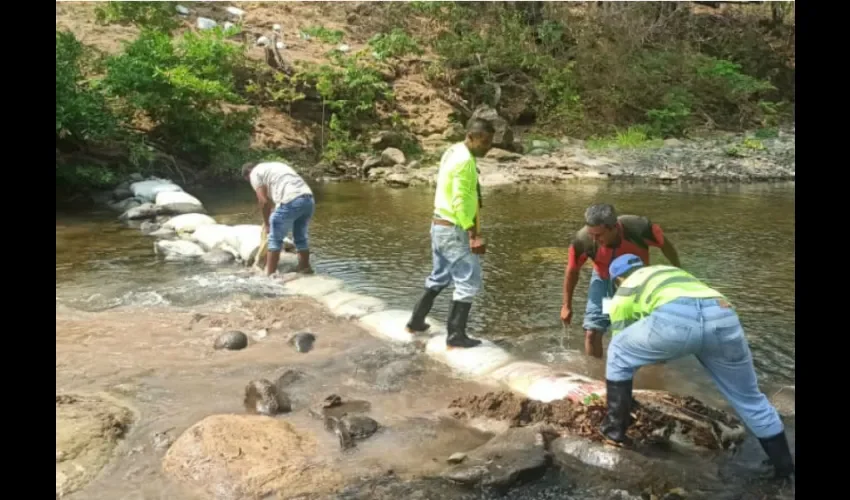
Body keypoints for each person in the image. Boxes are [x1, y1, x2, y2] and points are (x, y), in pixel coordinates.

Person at [599, 254, 794, 479]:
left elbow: (624, 346)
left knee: (618, 352)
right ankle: (784, 469)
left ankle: (614, 431)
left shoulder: (624, 291)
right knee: (749, 398)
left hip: (676, 322)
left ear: (618, 280)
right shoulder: (669, 272)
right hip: (723, 314)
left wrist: (624, 387)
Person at [404, 118, 495, 348]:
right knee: (468, 280)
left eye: (490, 142)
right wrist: (473, 234)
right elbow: (460, 200)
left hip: (439, 225)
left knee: (440, 276)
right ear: (471, 137)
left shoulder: (454, 151)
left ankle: (416, 322)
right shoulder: (465, 161)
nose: (488, 147)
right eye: (485, 142)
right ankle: (456, 335)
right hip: (455, 228)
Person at [560, 203, 681, 358]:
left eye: (599, 235)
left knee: (641, 330)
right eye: (592, 234)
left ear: (613, 227)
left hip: (638, 281)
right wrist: (566, 305)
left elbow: (666, 246)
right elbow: (572, 270)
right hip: (603, 280)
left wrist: (678, 271)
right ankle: (594, 375)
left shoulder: (640, 228)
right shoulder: (583, 240)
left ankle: (647, 372)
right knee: (592, 331)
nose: (595, 240)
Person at [242, 161, 315, 276]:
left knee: (274, 239)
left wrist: (267, 224)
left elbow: (263, 201)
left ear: (247, 175)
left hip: (290, 200)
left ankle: (269, 276)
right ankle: (305, 268)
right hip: (308, 199)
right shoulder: (274, 166)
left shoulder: (254, 174)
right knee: (300, 237)